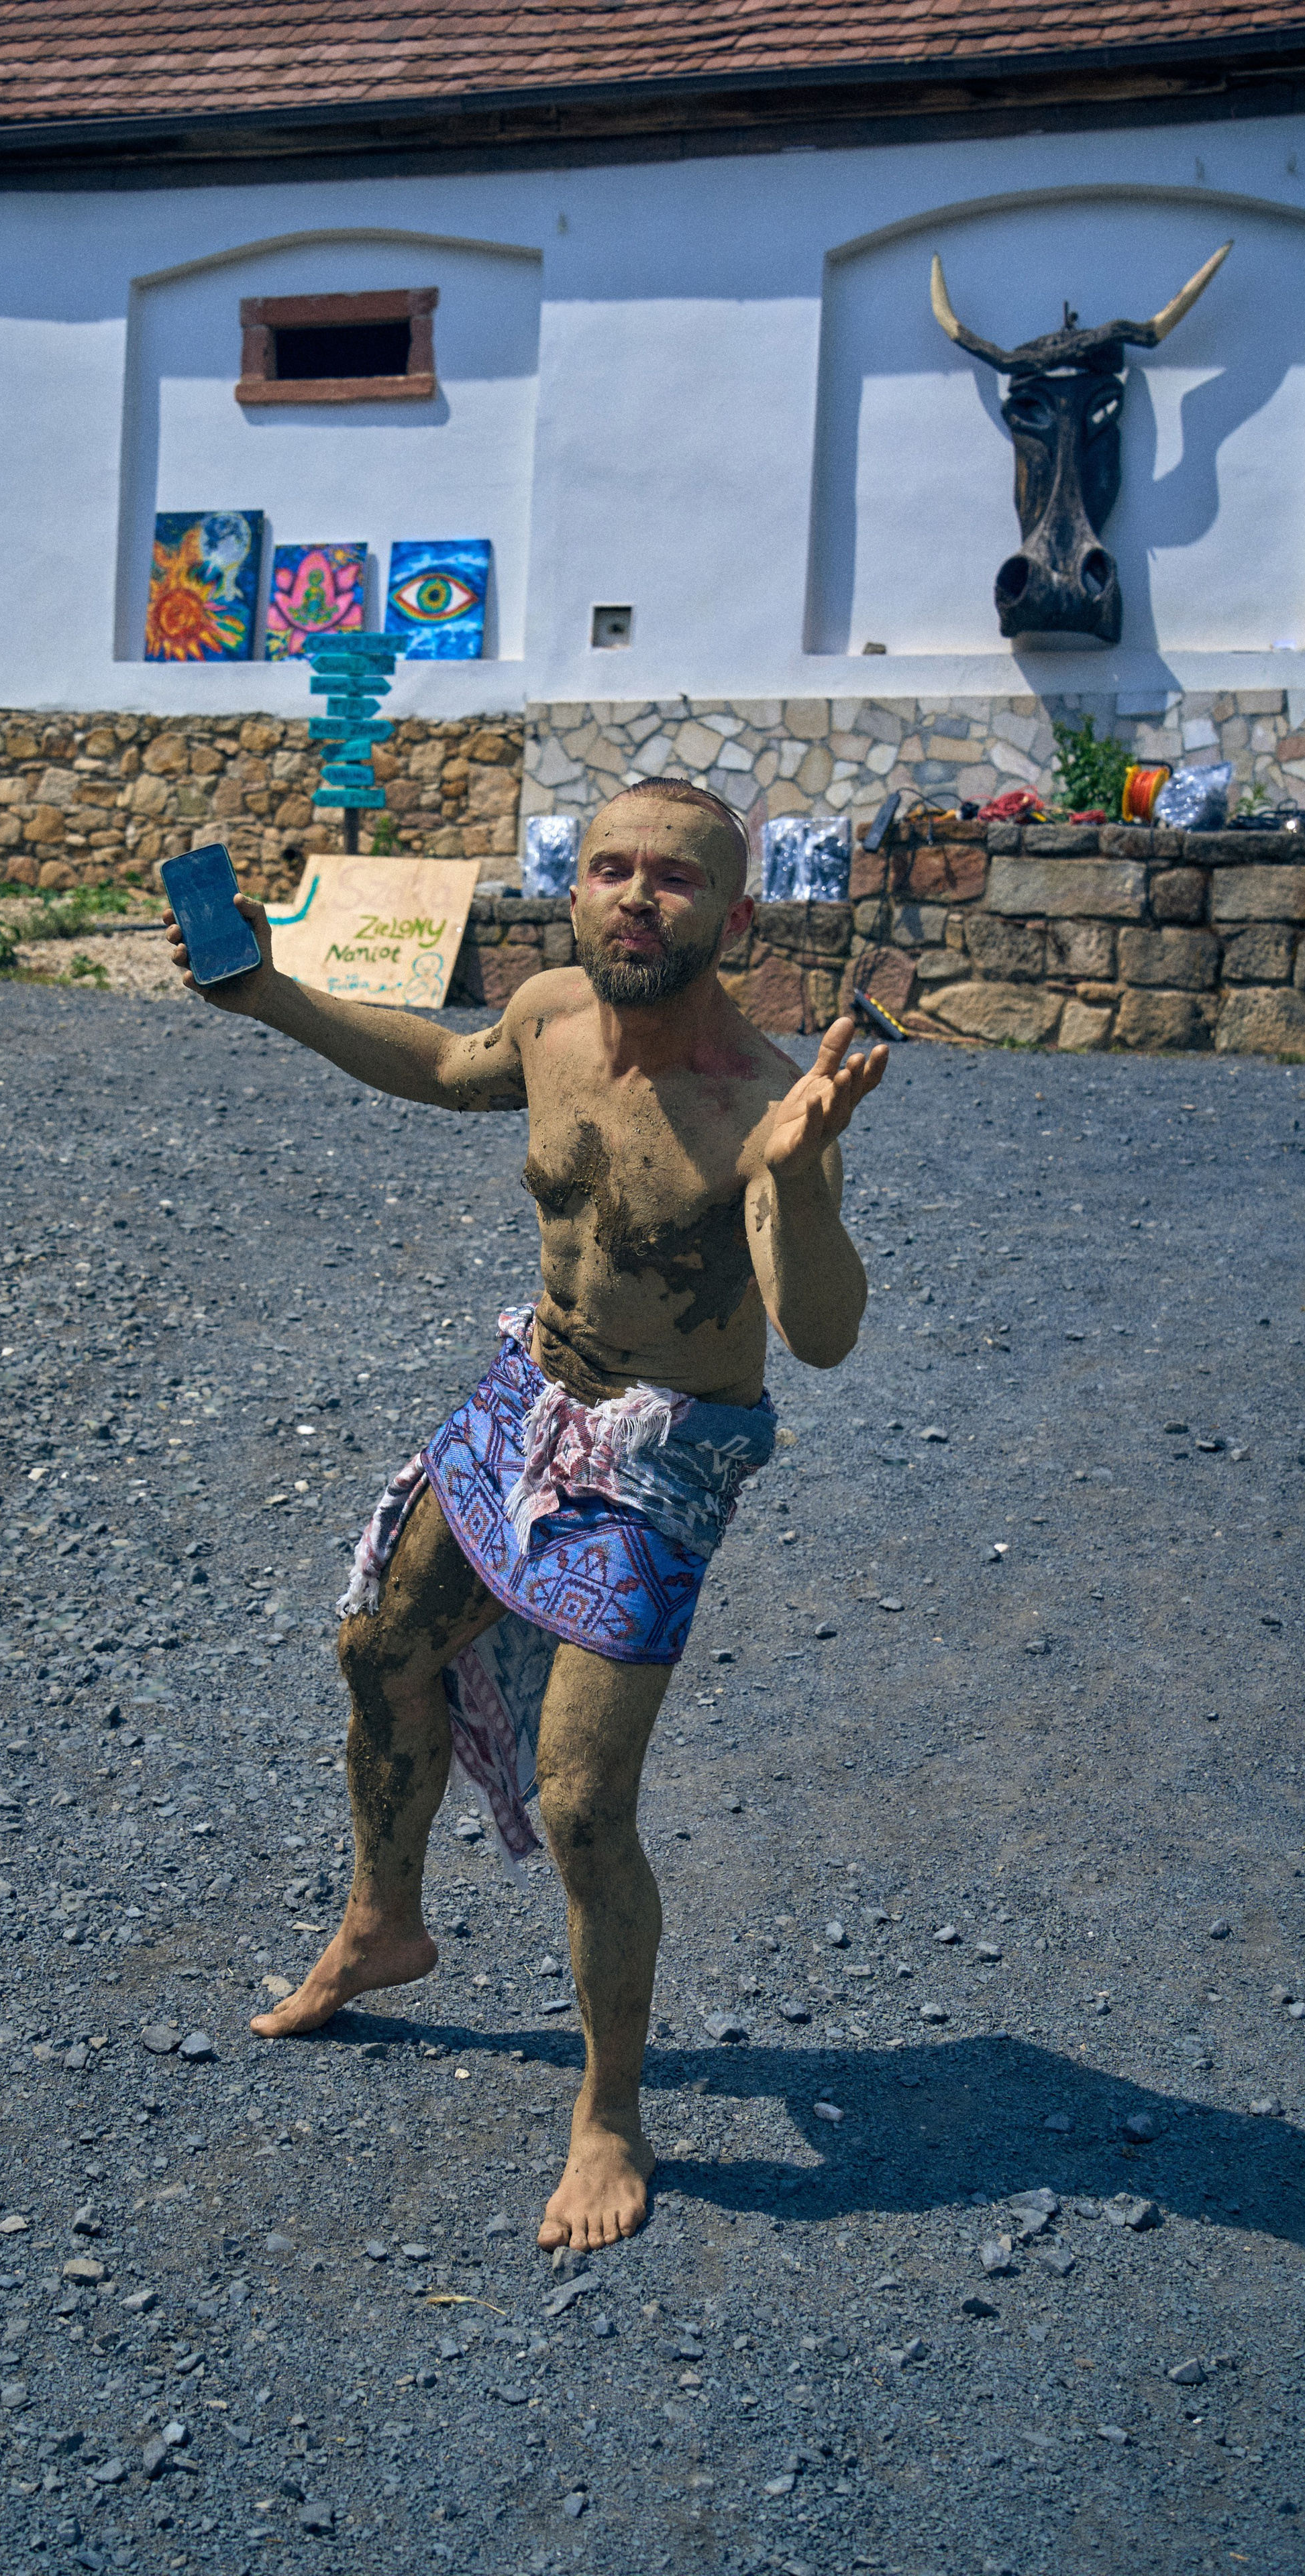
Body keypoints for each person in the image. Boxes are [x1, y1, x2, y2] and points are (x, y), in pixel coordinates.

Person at [166, 781, 887, 2251]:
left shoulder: (757, 1105)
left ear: (735, 918)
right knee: (378, 1649)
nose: (636, 895)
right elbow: (443, 1063)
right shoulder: (553, 1014)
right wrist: (264, 995)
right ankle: (385, 1924)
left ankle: (609, 2110)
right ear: (572, 895)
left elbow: (818, 1335)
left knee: (579, 1802)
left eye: (674, 880)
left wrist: (800, 1183)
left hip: (660, 1453)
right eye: (609, 868)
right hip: (530, 1392)